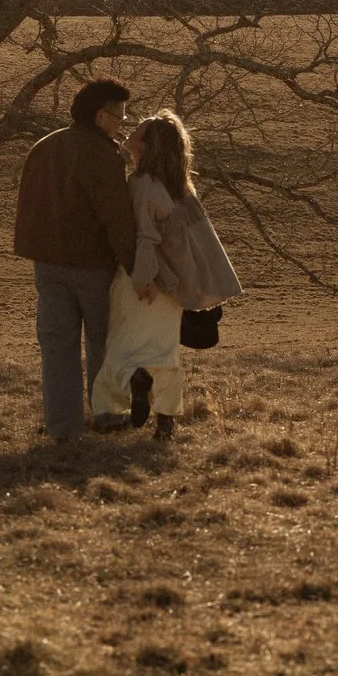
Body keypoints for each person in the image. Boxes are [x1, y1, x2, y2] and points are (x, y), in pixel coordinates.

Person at [91, 109, 243, 442]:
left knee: (120, 348)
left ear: (147, 146)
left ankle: (131, 385)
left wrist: (142, 279)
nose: (130, 132)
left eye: (138, 131)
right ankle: (165, 421)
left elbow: (146, 238)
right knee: (165, 352)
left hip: (143, 281)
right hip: (171, 288)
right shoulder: (178, 188)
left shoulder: (142, 184)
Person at [13, 78, 138, 441]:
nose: (122, 124)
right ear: (101, 115)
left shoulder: (45, 146)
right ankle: (107, 415)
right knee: (103, 341)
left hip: (47, 264)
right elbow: (117, 218)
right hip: (92, 265)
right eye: (120, 116)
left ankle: (62, 427)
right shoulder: (103, 156)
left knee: (57, 345)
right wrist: (134, 266)